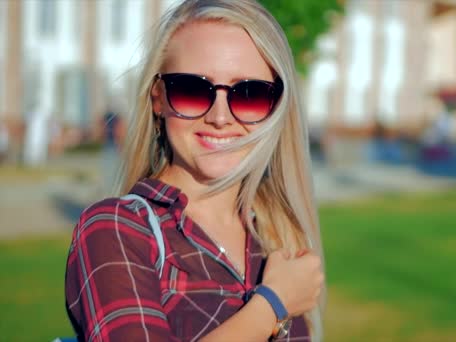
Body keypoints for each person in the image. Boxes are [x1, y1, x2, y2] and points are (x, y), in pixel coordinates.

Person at [64, 1, 325, 341]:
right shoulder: (117, 229)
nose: (219, 117)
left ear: (276, 108)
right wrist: (272, 305)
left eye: (249, 94)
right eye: (192, 89)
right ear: (158, 99)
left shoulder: (278, 236)